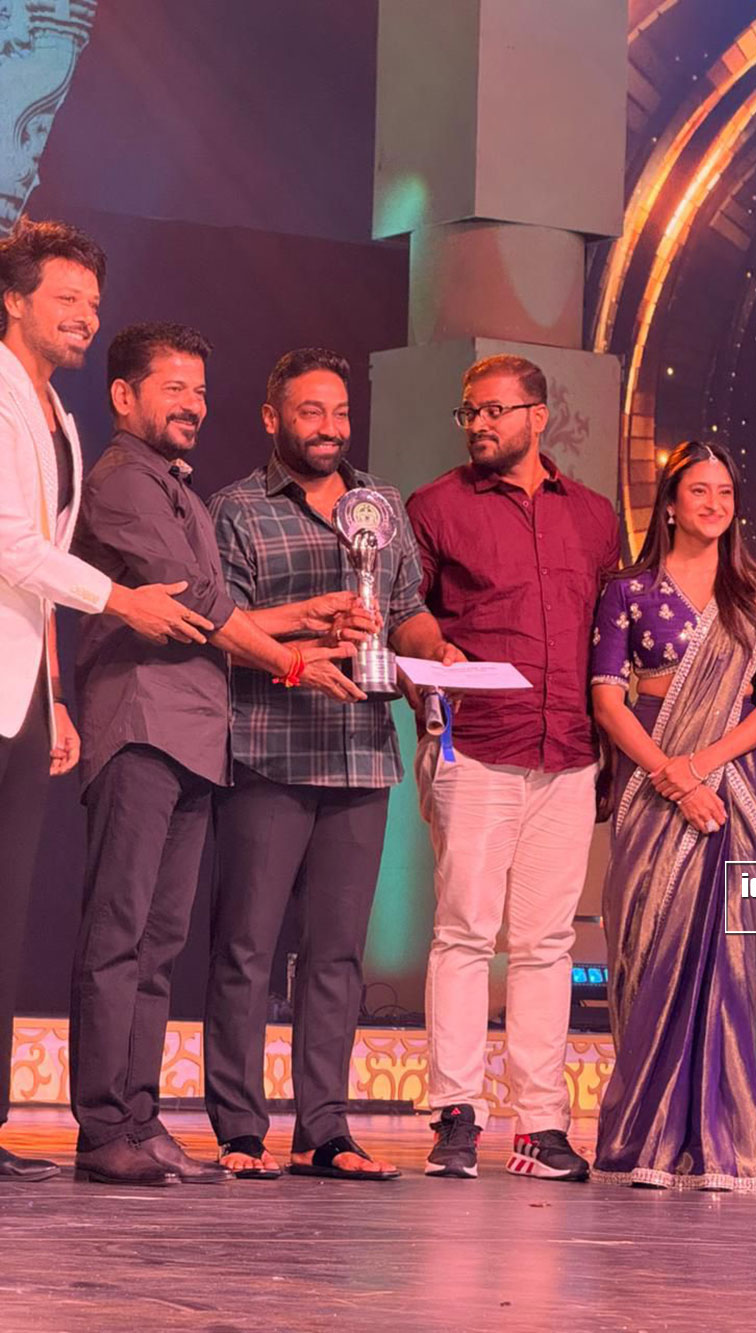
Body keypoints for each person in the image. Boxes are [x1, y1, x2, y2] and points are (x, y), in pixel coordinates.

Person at [70, 324, 363, 1187]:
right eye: (173, 388)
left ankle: (139, 1116)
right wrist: (293, 662)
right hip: (140, 724)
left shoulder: (180, 489)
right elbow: (202, 603)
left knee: (159, 943)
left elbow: (217, 615)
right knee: (118, 934)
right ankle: (102, 1124)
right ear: (124, 395)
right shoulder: (123, 480)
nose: (192, 404)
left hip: (196, 734)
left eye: (199, 389)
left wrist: (304, 618)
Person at [205, 348, 459, 1181]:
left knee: (339, 954)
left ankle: (324, 1129)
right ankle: (240, 1129)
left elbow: (408, 608)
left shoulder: (380, 502)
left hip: (359, 754)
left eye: (341, 411)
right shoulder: (235, 510)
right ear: (272, 418)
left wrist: (433, 655)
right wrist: (310, 633)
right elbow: (222, 626)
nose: (330, 427)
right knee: (245, 947)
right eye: (311, 411)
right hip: (270, 750)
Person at [0, 222, 212, 1184]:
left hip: (25, 690)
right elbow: (12, 545)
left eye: (93, 302)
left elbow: (39, 577)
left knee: (9, 909)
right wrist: (123, 600)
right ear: (14, 300)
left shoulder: (62, 416)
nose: (86, 315)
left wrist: (56, 694)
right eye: (67, 299)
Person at [406, 354, 620, 1182]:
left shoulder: (594, 516)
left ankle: (541, 1125)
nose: (481, 425)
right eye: (471, 412)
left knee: (545, 943)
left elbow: (610, 630)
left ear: (539, 415)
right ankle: (455, 1115)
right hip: (475, 743)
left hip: (565, 751)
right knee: (464, 931)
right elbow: (403, 612)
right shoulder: (436, 506)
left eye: (496, 410)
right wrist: (431, 645)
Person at [590, 440, 756, 1192]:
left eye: (725, 491)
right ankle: (649, 1139)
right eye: (699, 490)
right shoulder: (628, 590)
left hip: (733, 790)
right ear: (670, 503)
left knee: (731, 955)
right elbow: (607, 699)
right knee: (652, 948)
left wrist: (702, 764)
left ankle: (729, 1138)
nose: (715, 503)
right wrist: (669, 772)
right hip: (651, 783)